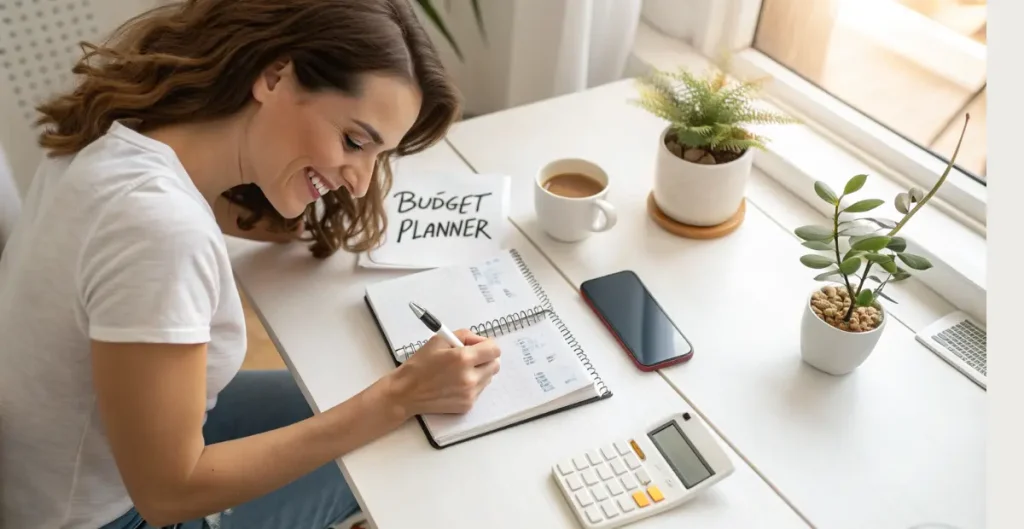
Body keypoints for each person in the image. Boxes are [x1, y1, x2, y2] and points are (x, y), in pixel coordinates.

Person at [0, 1, 503, 528]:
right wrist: (400, 398)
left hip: (50, 463)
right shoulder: (159, 230)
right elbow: (167, 495)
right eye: (354, 141)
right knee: (395, 443)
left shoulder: (125, 125)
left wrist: (313, 183)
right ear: (274, 76)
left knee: (356, 394)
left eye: (378, 156)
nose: (360, 180)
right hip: (100, 514)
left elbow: (228, 218)